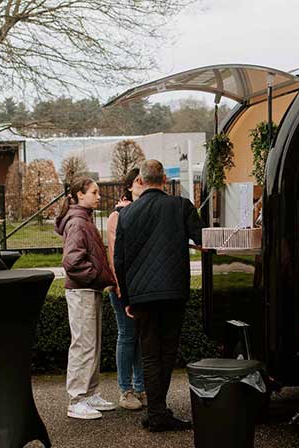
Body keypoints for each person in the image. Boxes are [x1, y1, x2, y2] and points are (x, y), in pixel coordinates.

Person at [114, 159, 204, 432]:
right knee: (167, 352)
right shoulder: (180, 206)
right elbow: (202, 240)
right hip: (173, 292)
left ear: (140, 180)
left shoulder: (126, 214)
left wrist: (127, 299)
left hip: (141, 296)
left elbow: (120, 260)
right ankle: (158, 412)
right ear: (165, 179)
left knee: (150, 354)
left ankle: (156, 411)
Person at [55, 177, 116, 419]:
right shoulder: (78, 222)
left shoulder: (84, 219)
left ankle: (88, 393)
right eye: (94, 192)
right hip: (82, 291)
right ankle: (76, 399)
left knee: (92, 344)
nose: (98, 196)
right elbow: (72, 261)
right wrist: (96, 276)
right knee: (83, 344)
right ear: (80, 195)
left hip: (88, 290)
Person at [107, 169, 146, 410]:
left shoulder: (142, 212)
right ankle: (126, 390)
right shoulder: (118, 215)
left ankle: (141, 388)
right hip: (123, 287)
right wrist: (122, 289)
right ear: (129, 187)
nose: (143, 184)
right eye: (138, 182)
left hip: (141, 287)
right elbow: (114, 255)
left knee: (140, 338)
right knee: (127, 335)